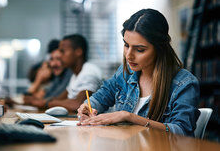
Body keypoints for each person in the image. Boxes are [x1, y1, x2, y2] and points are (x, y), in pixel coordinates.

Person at [77, 9, 200, 137]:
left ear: (159, 49)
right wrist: (86, 107)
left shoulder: (184, 83)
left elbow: (181, 132)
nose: (129, 55)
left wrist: (129, 117)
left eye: (140, 50)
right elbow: (100, 98)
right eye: (126, 45)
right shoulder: (125, 73)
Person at [32, 34, 103, 112]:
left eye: (62, 51)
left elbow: (78, 104)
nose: (60, 56)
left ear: (78, 52)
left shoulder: (89, 71)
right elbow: (59, 99)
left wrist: (47, 103)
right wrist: (40, 102)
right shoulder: (75, 74)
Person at [24, 39, 72, 105]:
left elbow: (51, 99)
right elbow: (46, 98)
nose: (53, 64)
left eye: (58, 59)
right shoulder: (58, 77)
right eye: (51, 59)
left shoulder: (70, 73)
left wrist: (38, 79)